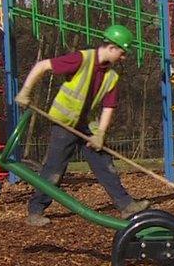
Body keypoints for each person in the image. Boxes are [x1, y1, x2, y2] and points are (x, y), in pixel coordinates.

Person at [15, 24, 150, 226]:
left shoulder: (111, 76)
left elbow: (108, 106)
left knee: (104, 165)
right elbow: (42, 66)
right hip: (63, 123)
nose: (123, 58)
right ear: (111, 48)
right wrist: (26, 92)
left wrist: (100, 134)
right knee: (54, 170)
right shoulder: (81, 59)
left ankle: (125, 205)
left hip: (85, 126)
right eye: (122, 53)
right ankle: (35, 211)